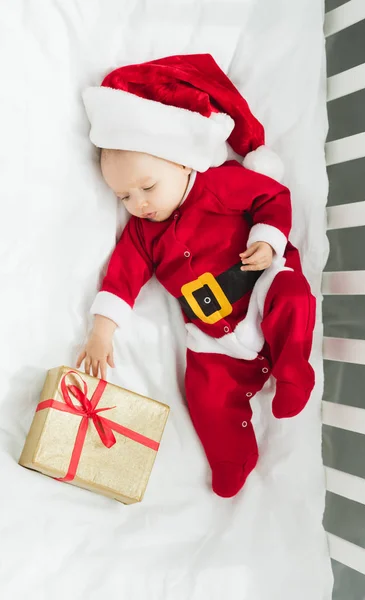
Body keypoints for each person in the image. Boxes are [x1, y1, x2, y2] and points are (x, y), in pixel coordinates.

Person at [78, 53, 316, 498]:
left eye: (147, 187)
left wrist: (267, 240)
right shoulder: (142, 235)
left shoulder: (220, 183)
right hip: (210, 330)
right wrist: (102, 331)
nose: (138, 204)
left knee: (294, 297)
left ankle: (293, 370)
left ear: (184, 162)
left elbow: (272, 196)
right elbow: (121, 280)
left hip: (259, 285)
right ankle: (232, 456)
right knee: (205, 394)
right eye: (124, 195)